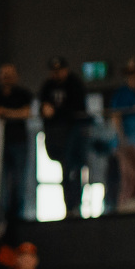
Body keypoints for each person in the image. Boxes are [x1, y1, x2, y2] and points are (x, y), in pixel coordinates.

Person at [0, 63, 34, 222]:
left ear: (16, 76)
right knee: (1, 180)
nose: (7, 77)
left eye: (10, 74)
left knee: (19, 179)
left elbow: (25, 113)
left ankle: (18, 215)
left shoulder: (23, 94)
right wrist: (10, 113)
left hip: (19, 141)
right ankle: (2, 214)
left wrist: (3, 112)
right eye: (4, 74)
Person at [39, 57, 88, 217]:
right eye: (54, 71)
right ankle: (69, 206)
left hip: (73, 134)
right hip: (56, 136)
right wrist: (46, 111)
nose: (56, 74)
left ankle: (76, 205)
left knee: (74, 170)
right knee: (65, 171)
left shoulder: (74, 84)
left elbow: (76, 109)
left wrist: (55, 112)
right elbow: (43, 108)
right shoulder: (48, 86)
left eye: (59, 70)